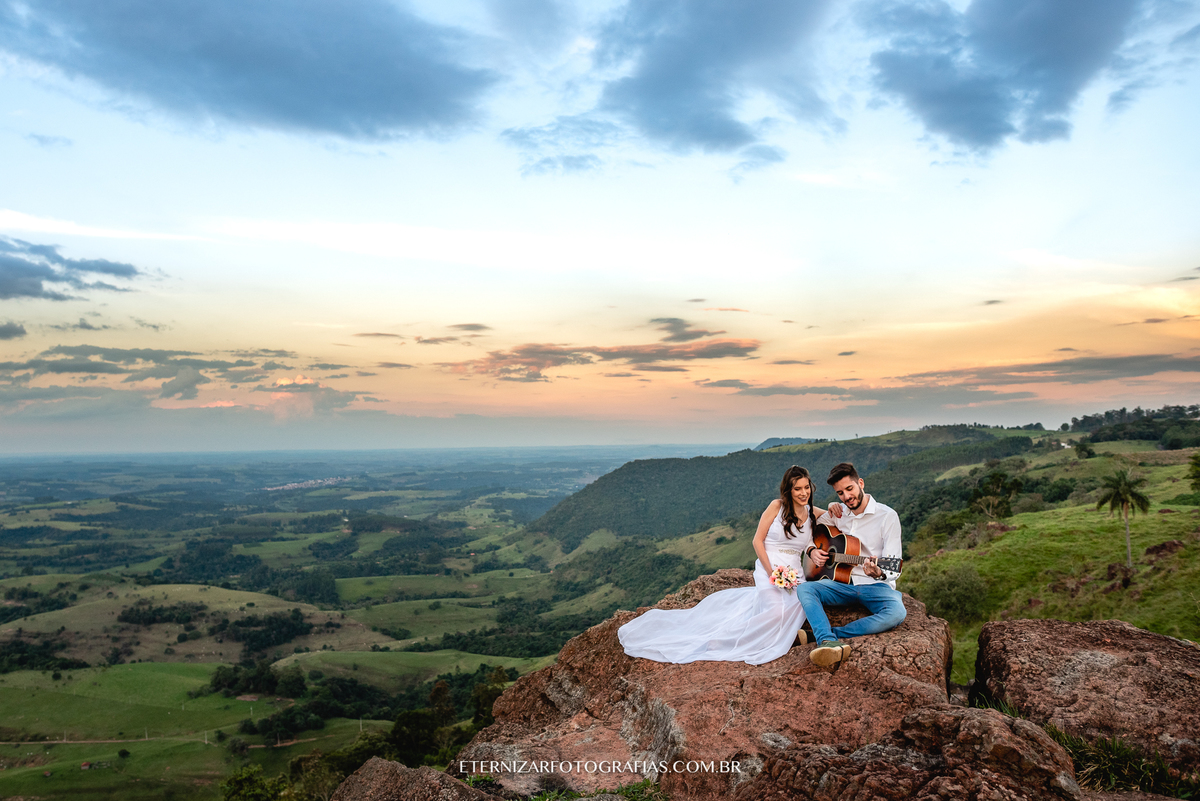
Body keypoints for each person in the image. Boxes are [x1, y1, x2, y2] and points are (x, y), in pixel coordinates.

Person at [617, 465, 825, 665]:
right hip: (770, 568)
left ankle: (783, 636)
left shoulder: (811, 513)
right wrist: (772, 573)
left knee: (797, 608)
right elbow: (757, 541)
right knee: (775, 612)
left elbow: (825, 525)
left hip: (795, 574)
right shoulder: (776, 507)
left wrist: (814, 545)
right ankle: (724, 639)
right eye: (797, 488)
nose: (803, 492)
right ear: (788, 490)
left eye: (806, 487)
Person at [798, 462, 906, 667]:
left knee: (897, 613)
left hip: (876, 586)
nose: (847, 497)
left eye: (850, 489)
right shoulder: (839, 514)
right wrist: (812, 551)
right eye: (840, 493)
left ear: (861, 483)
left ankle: (827, 636)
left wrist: (879, 573)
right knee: (805, 589)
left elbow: (893, 567)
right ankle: (828, 641)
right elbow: (810, 532)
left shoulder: (887, 516)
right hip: (842, 584)